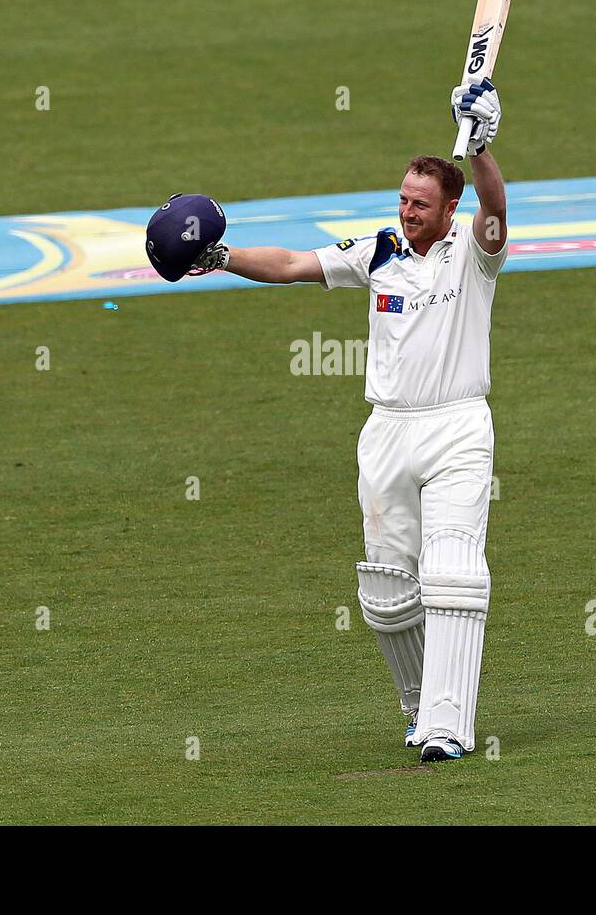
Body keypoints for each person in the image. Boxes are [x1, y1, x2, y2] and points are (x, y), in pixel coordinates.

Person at [193, 80, 506, 761]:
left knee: (452, 572)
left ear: (450, 208)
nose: (408, 211)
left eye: (421, 204)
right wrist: (218, 258)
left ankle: (450, 727)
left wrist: (481, 146)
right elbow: (291, 265)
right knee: (388, 590)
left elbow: (496, 211)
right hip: (387, 431)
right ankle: (419, 709)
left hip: (456, 426)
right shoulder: (381, 250)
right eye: (403, 199)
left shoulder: (475, 254)